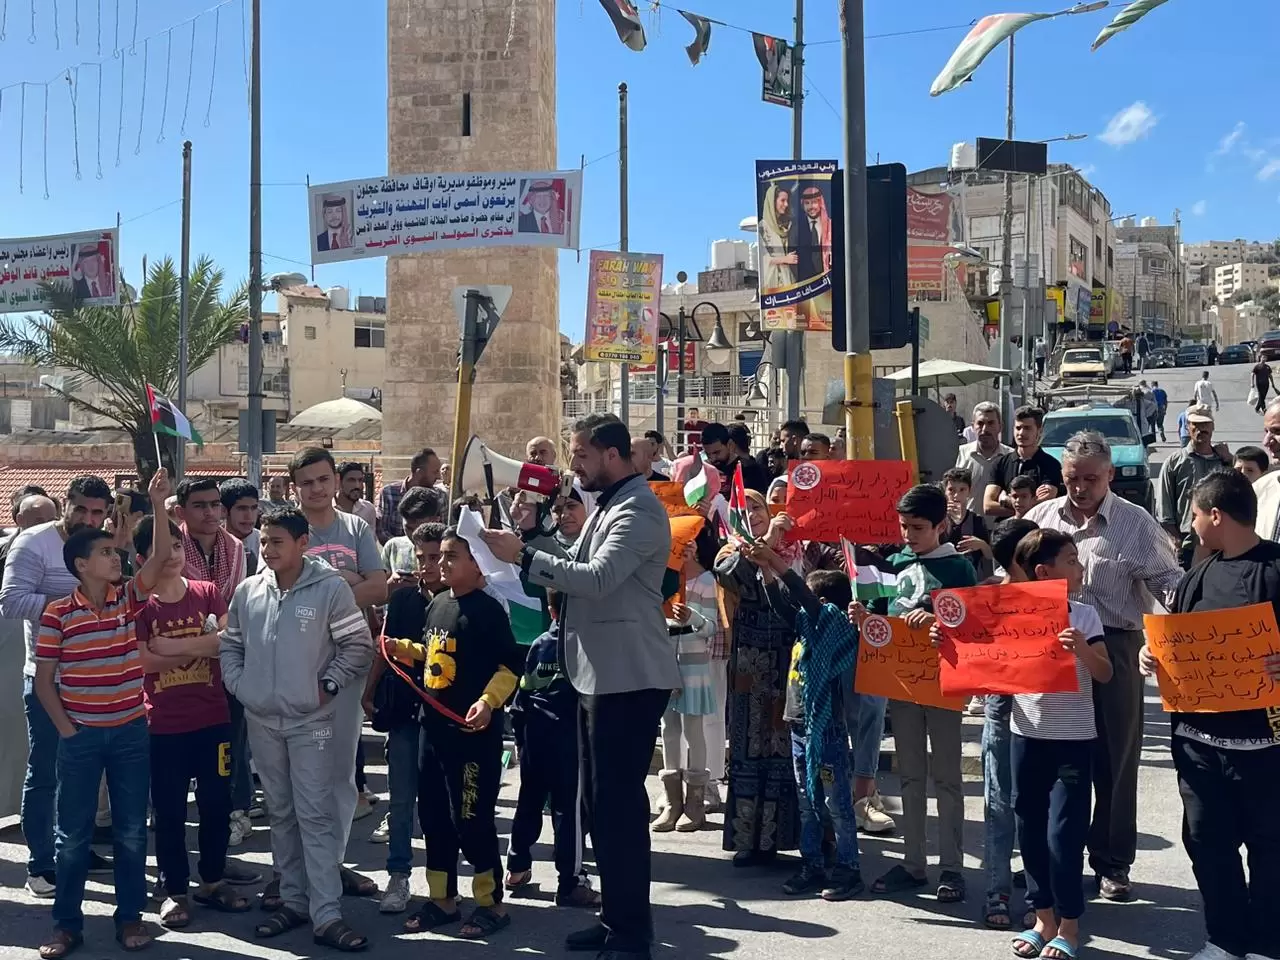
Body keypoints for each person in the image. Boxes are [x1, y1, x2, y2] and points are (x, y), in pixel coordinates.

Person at [479, 413, 678, 960]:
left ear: (612, 454)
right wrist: (529, 540)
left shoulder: (637, 509)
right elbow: (574, 562)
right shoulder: (611, 505)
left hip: (628, 678)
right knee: (599, 804)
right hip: (601, 674)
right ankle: (615, 919)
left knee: (618, 809)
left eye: (582, 455)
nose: (575, 465)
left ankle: (632, 935)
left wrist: (522, 554)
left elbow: (597, 579)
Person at [1024, 431, 1182, 901]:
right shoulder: (1041, 519)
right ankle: (1051, 859)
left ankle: (1112, 862)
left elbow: (1171, 583)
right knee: (1049, 754)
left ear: (1110, 474)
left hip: (1115, 644)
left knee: (1116, 757)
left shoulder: (1136, 523)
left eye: (1091, 479)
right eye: (1072, 478)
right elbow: (1012, 578)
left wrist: (1196, 617)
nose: (1080, 488)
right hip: (1050, 646)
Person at [1139, 470, 1280, 960]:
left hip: (1265, 748)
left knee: (1271, 849)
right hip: (1200, 746)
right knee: (1206, 845)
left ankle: (1267, 942)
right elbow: (1177, 639)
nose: (1191, 525)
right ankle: (1224, 939)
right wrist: (1152, 655)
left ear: (1215, 515)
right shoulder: (1196, 576)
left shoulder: (1276, 570)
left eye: (1195, 514)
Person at [33, 468, 171, 958]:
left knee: (131, 832)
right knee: (72, 836)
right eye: (107, 553)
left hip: (130, 731)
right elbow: (44, 681)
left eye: (116, 552)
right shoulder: (57, 614)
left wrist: (159, 503)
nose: (116, 557)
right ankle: (66, 925)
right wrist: (69, 732)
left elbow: (159, 559)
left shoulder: (127, 599)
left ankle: (130, 918)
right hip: (83, 738)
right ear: (81, 565)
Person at [221, 506, 373, 950]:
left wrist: (328, 686)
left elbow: (357, 645)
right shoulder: (249, 591)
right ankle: (293, 901)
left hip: (312, 723)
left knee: (315, 815)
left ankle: (327, 915)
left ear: (303, 543)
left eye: (278, 542)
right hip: (262, 721)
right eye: (265, 541)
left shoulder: (330, 589)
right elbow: (231, 645)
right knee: (281, 813)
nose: (268, 549)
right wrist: (241, 686)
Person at [386, 527, 523, 940]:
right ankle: (443, 899)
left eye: (451, 556)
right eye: (440, 555)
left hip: (472, 737)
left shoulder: (489, 611)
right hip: (433, 730)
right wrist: (401, 648)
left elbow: (509, 667)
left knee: (471, 820)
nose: (441, 563)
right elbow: (434, 654)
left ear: (478, 563)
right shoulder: (438, 604)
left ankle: (491, 903)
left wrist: (488, 702)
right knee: (434, 817)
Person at [853, 484, 977, 902]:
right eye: (904, 526)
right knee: (909, 775)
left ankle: (952, 866)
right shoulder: (894, 563)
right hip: (901, 683)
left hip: (944, 684)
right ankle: (913, 862)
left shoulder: (959, 568)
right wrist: (862, 616)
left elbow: (975, 627)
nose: (908, 535)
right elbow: (880, 620)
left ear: (941, 525)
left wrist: (941, 625)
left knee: (947, 778)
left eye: (918, 527)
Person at [130, 515, 251, 928]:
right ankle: (174, 889)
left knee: (217, 805)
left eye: (178, 546)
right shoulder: (141, 606)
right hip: (163, 725)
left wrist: (169, 646)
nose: (174, 555)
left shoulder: (207, 592)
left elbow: (227, 642)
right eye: (163, 550)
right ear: (144, 559)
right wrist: (197, 648)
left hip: (213, 719)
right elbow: (143, 661)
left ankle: (213, 880)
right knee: (168, 812)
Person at [1, 475, 115, 898]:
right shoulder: (33, 543)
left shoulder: (104, 544)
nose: (88, 518)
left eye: (97, 512)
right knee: (45, 773)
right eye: (80, 508)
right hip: (47, 678)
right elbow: (11, 600)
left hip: (98, 678)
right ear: (65, 503)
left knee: (84, 774)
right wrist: (73, 606)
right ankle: (41, 865)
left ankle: (76, 850)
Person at [1008, 530, 1112, 960]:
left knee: (1064, 834)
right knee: (1029, 829)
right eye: (1072, 560)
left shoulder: (1085, 615)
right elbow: (981, 663)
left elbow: (1105, 673)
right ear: (1042, 571)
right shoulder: (1010, 613)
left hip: (1073, 741)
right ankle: (1043, 919)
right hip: (1025, 735)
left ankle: (1070, 925)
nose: (1080, 567)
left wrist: (1082, 649)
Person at [289, 447, 385, 884]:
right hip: (297, 665)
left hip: (349, 664)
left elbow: (379, 587)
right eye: (307, 482)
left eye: (323, 479)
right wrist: (346, 583)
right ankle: (294, 868)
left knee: (341, 771)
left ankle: (332, 863)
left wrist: (321, 597)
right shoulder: (287, 530)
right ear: (295, 488)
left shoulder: (357, 528)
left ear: (335, 481)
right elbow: (281, 595)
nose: (316, 489)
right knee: (297, 773)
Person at [757, 552, 863, 902]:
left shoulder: (832, 628)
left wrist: (778, 563)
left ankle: (848, 868)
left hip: (827, 732)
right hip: (800, 730)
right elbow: (782, 606)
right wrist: (765, 571)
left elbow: (802, 599)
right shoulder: (805, 628)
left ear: (824, 603)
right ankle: (812, 864)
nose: (800, 607)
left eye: (809, 600)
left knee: (836, 803)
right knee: (808, 802)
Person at [713, 493, 802, 866]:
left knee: (786, 745)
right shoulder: (729, 550)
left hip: (790, 658)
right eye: (745, 510)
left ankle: (793, 837)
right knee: (749, 747)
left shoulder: (799, 549)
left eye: (758, 508)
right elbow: (733, 576)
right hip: (749, 664)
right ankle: (750, 840)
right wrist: (767, 542)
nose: (752, 514)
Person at [365, 522, 446, 912]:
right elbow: (385, 648)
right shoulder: (402, 600)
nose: (428, 565)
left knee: (440, 804)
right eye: (421, 557)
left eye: (436, 557)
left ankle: (442, 881)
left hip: (445, 717)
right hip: (404, 712)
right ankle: (398, 876)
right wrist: (368, 692)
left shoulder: (461, 601)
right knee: (400, 801)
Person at [504, 591, 599, 908]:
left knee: (529, 801)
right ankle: (570, 882)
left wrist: (520, 738)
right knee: (569, 811)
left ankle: (516, 867)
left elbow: (523, 694)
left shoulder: (539, 644)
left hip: (534, 735)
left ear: (551, 611)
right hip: (570, 741)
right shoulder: (587, 646)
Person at [975, 518, 1040, 931]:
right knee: (999, 802)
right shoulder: (986, 596)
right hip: (1000, 707)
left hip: (1046, 713)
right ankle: (996, 890)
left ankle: (1040, 896)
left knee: (1035, 806)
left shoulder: (1055, 596)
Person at [652, 549, 719, 835]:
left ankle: (695, 803)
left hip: (694, 664)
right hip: (664, 659)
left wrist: (693, 617)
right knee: (669, 728)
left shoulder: (706, 580)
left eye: (691, 542)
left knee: (693, 729)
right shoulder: (660, 576)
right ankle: (672, 800)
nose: (685, 548)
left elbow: (712, 627)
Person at [1158, 407, 1233, 569]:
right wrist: (1175, 539)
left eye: (1205, 424)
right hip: (1187, 544)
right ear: (1187, 427)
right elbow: (1164, 508)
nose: (1201, 429)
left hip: (1220, 543)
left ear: (1212, 427)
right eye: (1196, 424)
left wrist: (1230, 461)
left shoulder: (1223, 461)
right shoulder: (1175, 462)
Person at [983, 406, 1064, 520]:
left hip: (1037, 528)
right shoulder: (1000, 463)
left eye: (1027, 428)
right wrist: (1027, 504)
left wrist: (1006, 501)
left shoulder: (1051, 465)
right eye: (1018, 428)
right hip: (1007, 528)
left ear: (1039, 431)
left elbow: (1045, 504)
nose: (1021, 433)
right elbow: (988, 506)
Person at [380, 487, 445, 591]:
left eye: (420, 528)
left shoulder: (449, 547)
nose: (414, 535)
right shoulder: (393, 547)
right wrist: (391, 584)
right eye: (409, 528)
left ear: (436, 520)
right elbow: (377, 594)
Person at [956, 402, 1012, 520]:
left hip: (1003, 527)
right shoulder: (959, 455)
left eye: (991, 423)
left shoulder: (1011, 458)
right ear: (973, 427)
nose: (985, 429)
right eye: (980, 423)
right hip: (968, 527)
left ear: (1000, 426)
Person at [378, 447, 442, 542]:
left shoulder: (440, 496)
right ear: (419, 473)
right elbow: (382, 530)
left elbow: (443, 533)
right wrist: (401, 546)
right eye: (435, 472)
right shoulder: (389, 493)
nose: (439, 476)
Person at [942, 467, 993, 579]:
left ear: (969, 492)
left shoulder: (977, 520)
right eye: (951, 490)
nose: (956, 495)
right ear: (945, 491)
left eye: (962, 490)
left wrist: (982, 545)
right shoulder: (938, 519)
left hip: (971, 577)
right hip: (944, 576)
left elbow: (990, 555)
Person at [702, 421, 770, 495]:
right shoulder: (704, 471)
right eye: (708, 454)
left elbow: (757, 499)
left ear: (730, 445)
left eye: (717, 452)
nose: (712, 458)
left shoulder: (750, 470)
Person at [758, 183, 797, 292]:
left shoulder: (789, 225)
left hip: (789, 280)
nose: (786, 204)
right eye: (782, 200)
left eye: (787, 201)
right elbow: (763, 258)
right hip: (771, 283)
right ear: (773, 202)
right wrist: (784, 259)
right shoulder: (763, 227)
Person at [219, 479, 261, 576]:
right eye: (242, 508)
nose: (249, 516)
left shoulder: (265, 543)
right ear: (224, 510)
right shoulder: (211, 542)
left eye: (254, 508)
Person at [794, 184, 833, 281]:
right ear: (802, 205)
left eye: (814, 202)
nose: (811, 207)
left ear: (820, 203)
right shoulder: (796, 229)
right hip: (804, 283)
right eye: (807, 203)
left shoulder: (831, 226)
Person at [335, 462, 377, 530]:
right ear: (339, 481)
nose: (357, 486)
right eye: (351, 480)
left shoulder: (368, 509)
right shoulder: (326, 509)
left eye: (360, 480)